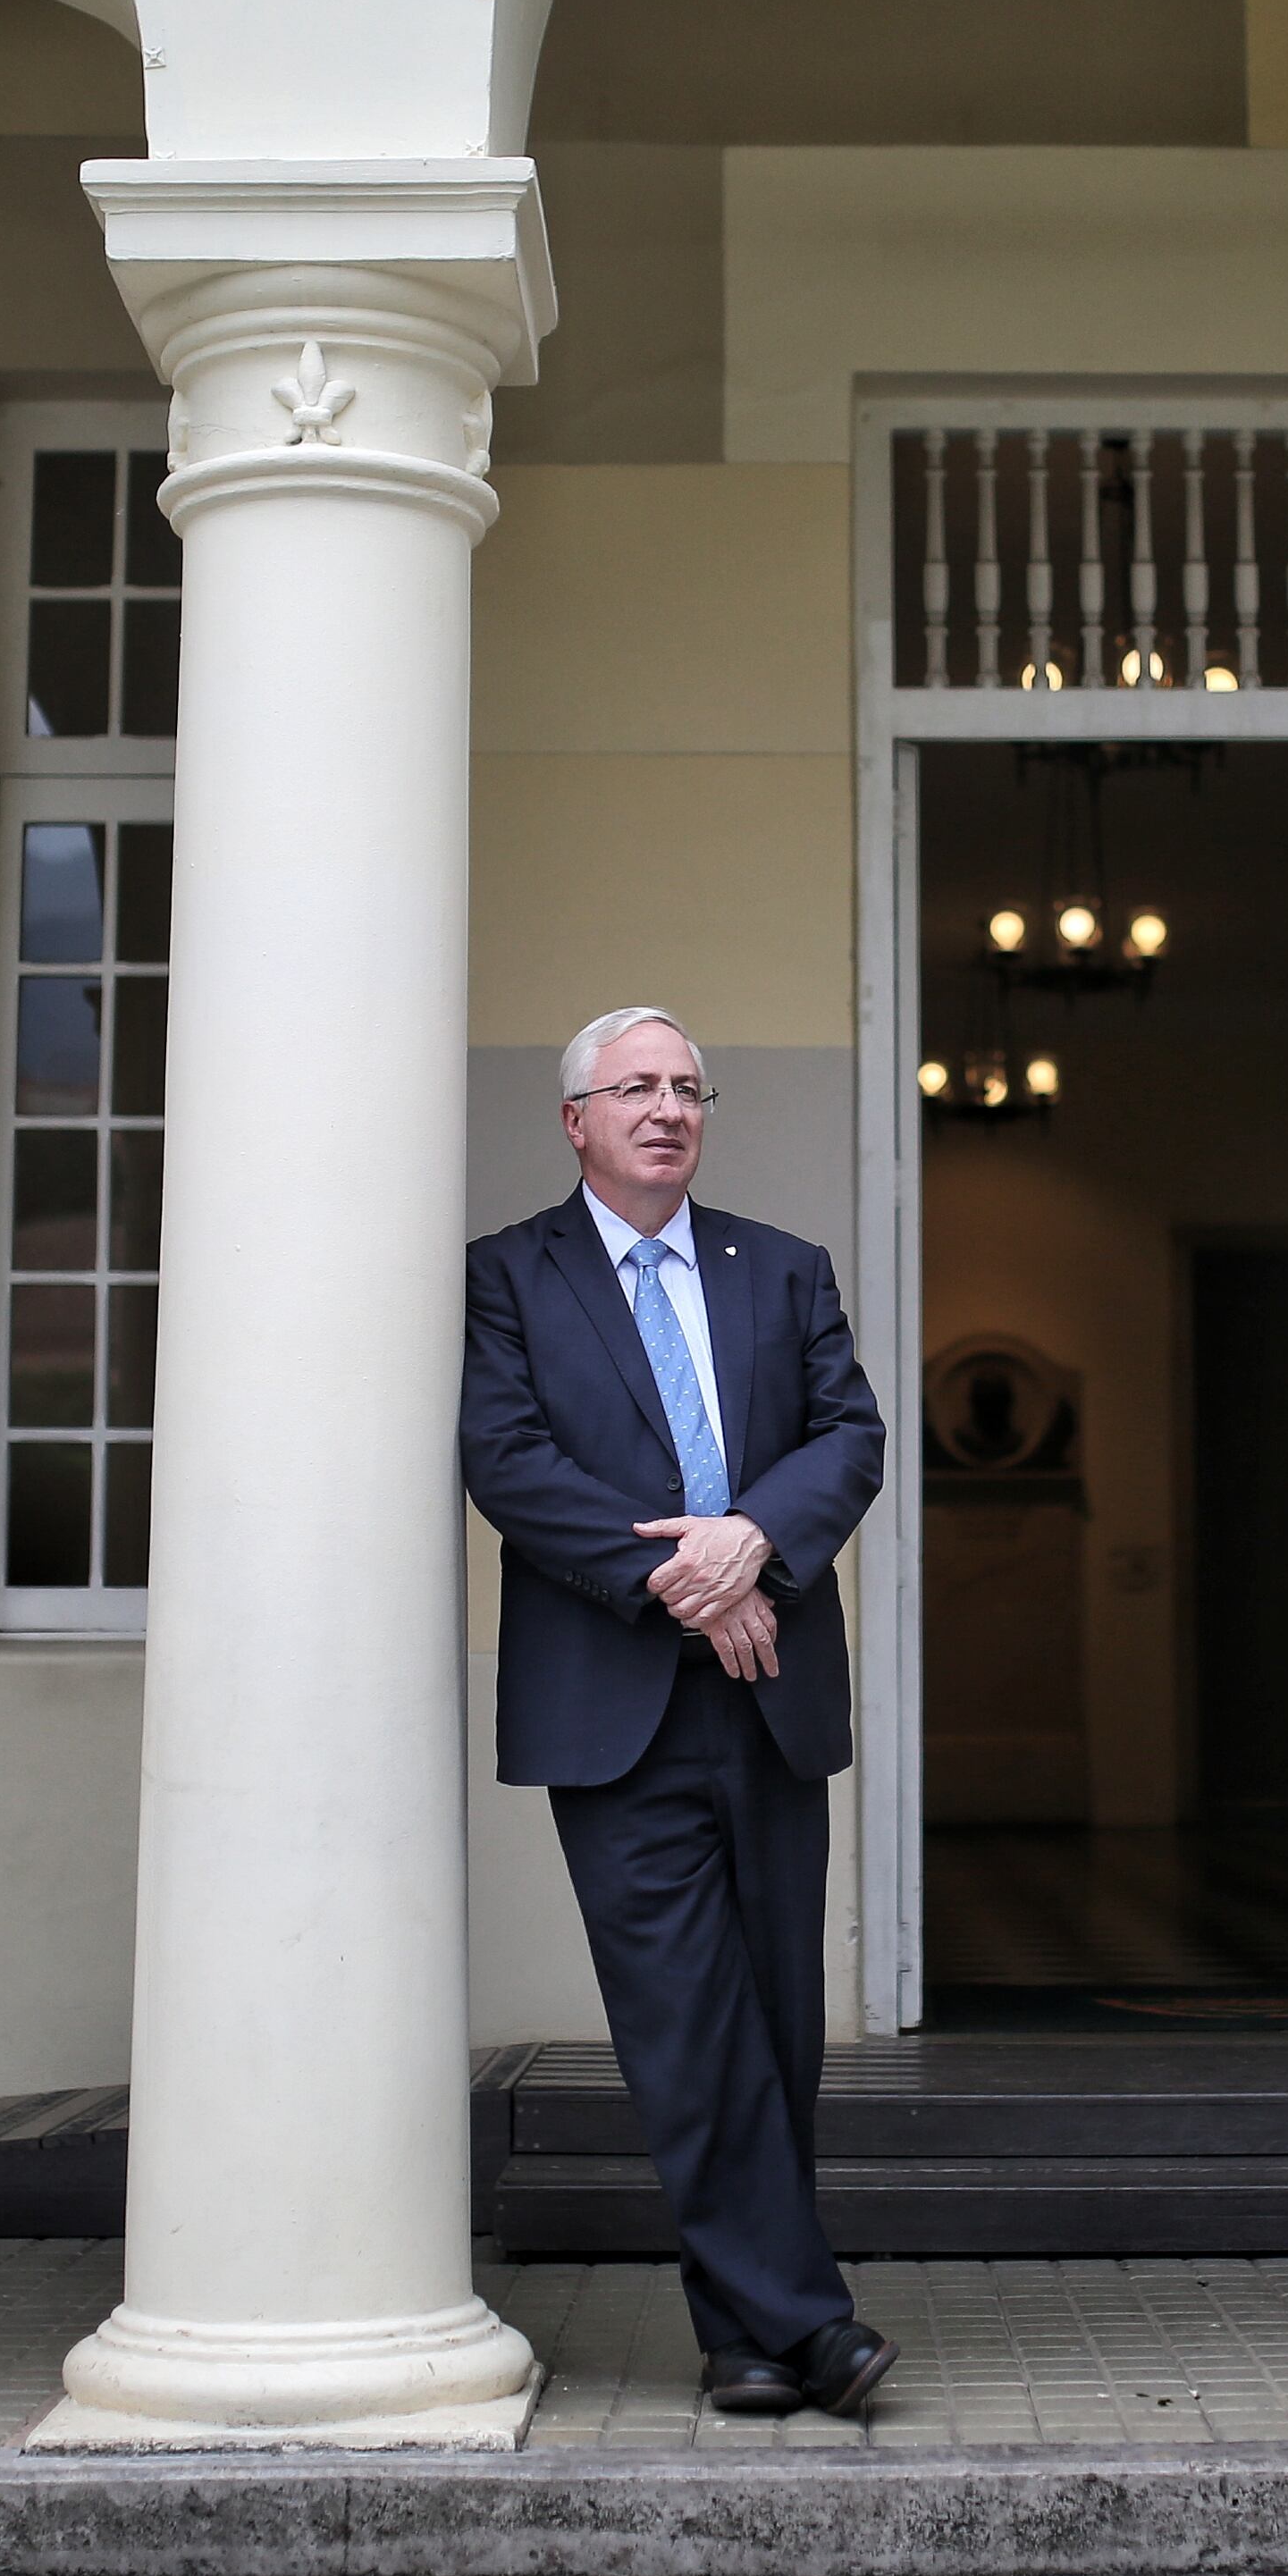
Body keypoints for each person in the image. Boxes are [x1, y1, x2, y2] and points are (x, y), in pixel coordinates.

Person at [460, 1006, 896, 2420]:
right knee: (683, 2019)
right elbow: (509, 1461)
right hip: (618, 1704)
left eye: (685, 1086)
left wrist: (750, 1540)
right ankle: (812, 2323)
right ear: (575, 1118)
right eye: (632, 1086)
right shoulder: (505, 1278)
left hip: (769, 1693)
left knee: (774, 2022)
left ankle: (749, 2336)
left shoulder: (781, 1270)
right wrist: (687, 1579)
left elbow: (851, 1436)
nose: (664, 1106)